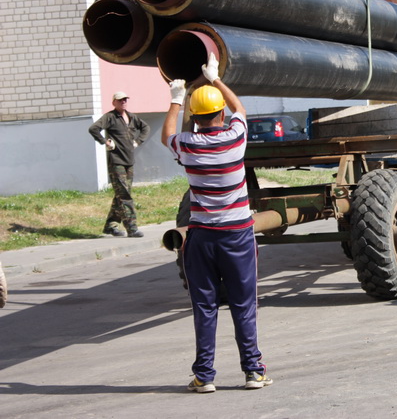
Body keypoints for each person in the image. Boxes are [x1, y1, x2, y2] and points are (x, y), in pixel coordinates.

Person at [161, 54, 270, 393]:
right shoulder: (236, 138)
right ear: (221, 114)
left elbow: (167, 135)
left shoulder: (188, 145)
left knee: (205, 308)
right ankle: (253, 372)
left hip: (202, 238)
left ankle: (204, 376)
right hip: (237, 236)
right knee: (244, 305)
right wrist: (215, 79)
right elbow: (241, 110)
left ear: (195, 119)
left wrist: (176, 99)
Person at [88, 91, 150, 238]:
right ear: (114, 102)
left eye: (125, 100)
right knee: (124, 195)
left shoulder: (132, 117)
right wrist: (105, 142)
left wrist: (138, 141)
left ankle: (110, 226)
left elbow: (146, 128)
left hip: (129, 161)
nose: (123, 102)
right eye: (120, 100)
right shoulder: (110, 117)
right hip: (116, 162)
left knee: (121, 194)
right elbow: (93, 129)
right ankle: (132, 228)